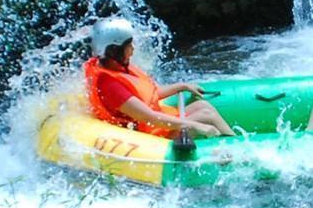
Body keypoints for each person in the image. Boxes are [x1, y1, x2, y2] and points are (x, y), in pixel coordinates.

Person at [84, 18, 235, 139]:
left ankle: (232, 142)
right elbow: (149, 117)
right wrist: (197, 126)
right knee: (205, 116)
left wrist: (181, 86)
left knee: (202, 106)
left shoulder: (116, 69)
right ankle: (237, 149)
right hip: (149, 138)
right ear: (114, 51)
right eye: (129, 46)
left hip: (154, 127)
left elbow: (149, 96)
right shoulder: (110, 85)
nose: (133, 49)